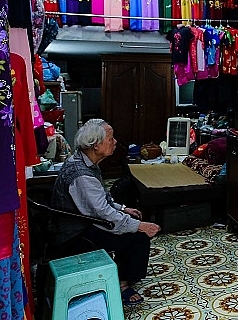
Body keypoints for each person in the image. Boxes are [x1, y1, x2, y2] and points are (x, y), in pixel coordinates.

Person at [51, 118, 160, 306]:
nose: (115, 142)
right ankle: (122, 285)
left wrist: (123, 209)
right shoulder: (81, 173)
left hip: (84, 222)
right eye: (110, 139)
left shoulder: (86, 160)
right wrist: (140, 226)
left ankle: (120, 272)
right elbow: (102, 213)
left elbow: (102, 199)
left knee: (129, 219)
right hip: (73, 235)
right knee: (138, 237)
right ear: (95, 145)